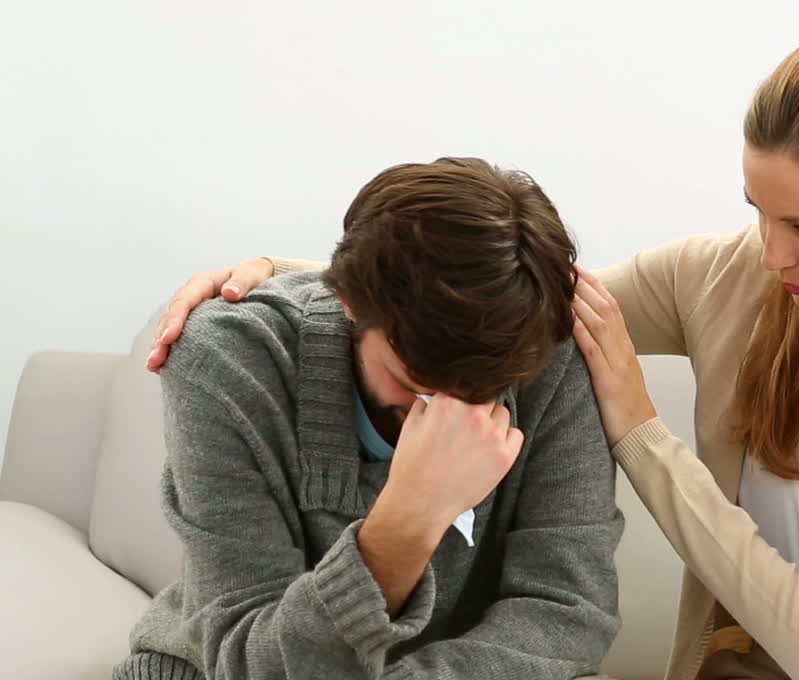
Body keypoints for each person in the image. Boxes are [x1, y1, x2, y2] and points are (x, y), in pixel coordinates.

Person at [148, 25, 799, 680]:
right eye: (757, 214)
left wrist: (639, 430)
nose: (770, 255)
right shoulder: (731, 280)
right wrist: (291, 273)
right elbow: (502, 291)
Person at [121, 159, 624, 680]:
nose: (445, 417)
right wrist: (411, 516)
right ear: (347, 303)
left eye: (483, 394)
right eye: (413, 385)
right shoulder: (225, 360)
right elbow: (248, 660)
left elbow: (569, 612)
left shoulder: (548, 349)